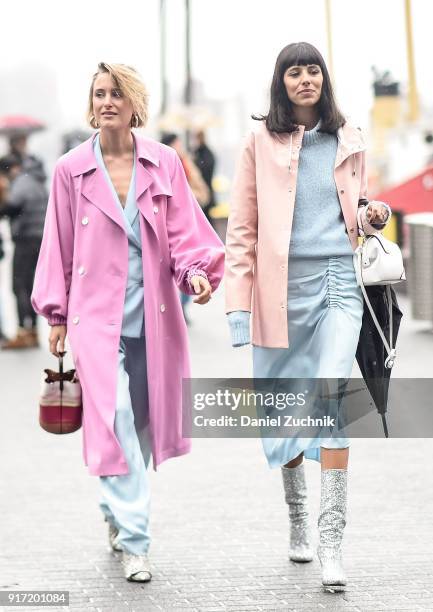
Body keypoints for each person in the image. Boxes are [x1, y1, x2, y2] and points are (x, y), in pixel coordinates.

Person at [31, 62, 224, 583]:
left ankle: (115, 508)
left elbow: (186, 233)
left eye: (117, 92)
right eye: (99, 93)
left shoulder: (163, 163)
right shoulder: (71, 169)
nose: (107, 101)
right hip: (93, 316)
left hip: (154, 313)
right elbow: (59, 243)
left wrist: (197, 275)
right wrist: (55, 313)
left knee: (139, 422)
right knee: (113, 415)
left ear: (134, 102)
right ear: (90, 104)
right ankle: (136, 539)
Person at [224, 42, 390, 592]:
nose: (304, 79)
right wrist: (236, 307)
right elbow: (242, 228)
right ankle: (297, 519)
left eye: (312, 70)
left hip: (338, 285)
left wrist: (371, 213)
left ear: (324, 79)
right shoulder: (256, 141)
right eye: (293, 72)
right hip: (278, 293)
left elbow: (356, 204)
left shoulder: (349, 137)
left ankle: (331, 544)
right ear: (281, 82)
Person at [161, 132, 210, 324]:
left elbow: (201, 188)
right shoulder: (164, 163)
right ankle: (178, 305)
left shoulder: (187, 162)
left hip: (192, 219)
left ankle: (182, 304)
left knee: (189, 262)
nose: (180, 145)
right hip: (170, 223)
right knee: (175, 266)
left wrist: (190, 197)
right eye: (177, 142)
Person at [0, 153, 48, 348]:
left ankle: (23, 331)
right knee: (33, 285)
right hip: (41, 238)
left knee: (19, 285)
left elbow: (12, 206)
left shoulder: (22, 182)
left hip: (25, 239)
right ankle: (34, 331)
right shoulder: (38, 180)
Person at [193, 130, 216, 224]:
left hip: (205, 190)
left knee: (206, 219)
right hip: (205, 189)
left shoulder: (204, 154)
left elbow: (204, 170)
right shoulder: (201, 152)